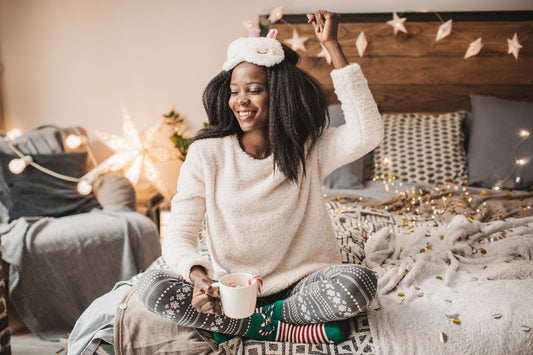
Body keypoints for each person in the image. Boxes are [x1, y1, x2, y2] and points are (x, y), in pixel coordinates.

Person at [138, 10, 383, 344]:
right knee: (151, 287)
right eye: (234, 91)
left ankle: (249, 324)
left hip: (303, 284)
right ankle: (293, 328)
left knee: (358, 283)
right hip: (231, 288)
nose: (241, 101)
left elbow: (366, 132)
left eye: (253, 90)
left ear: (278, 94)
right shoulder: (206, 154)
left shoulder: (308, 149)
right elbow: (180, 234)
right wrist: (197, 276)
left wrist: (332, 47)